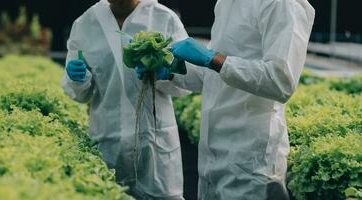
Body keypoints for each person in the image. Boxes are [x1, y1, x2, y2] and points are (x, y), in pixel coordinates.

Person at [166, 0, 315, 199]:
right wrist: (172, 72)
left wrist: (214, 58)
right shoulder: (226, 3)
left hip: (250, 161)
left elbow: (280, 80)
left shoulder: (280, 3)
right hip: (213, 157)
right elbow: (216, 75)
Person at [61, 0, 190, 199]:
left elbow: (187, 82)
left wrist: (168, 72)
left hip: (155, 146)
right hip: (108, 143)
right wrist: (78, 80)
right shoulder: (85, 24)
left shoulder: (163, 18)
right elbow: (80, 94)